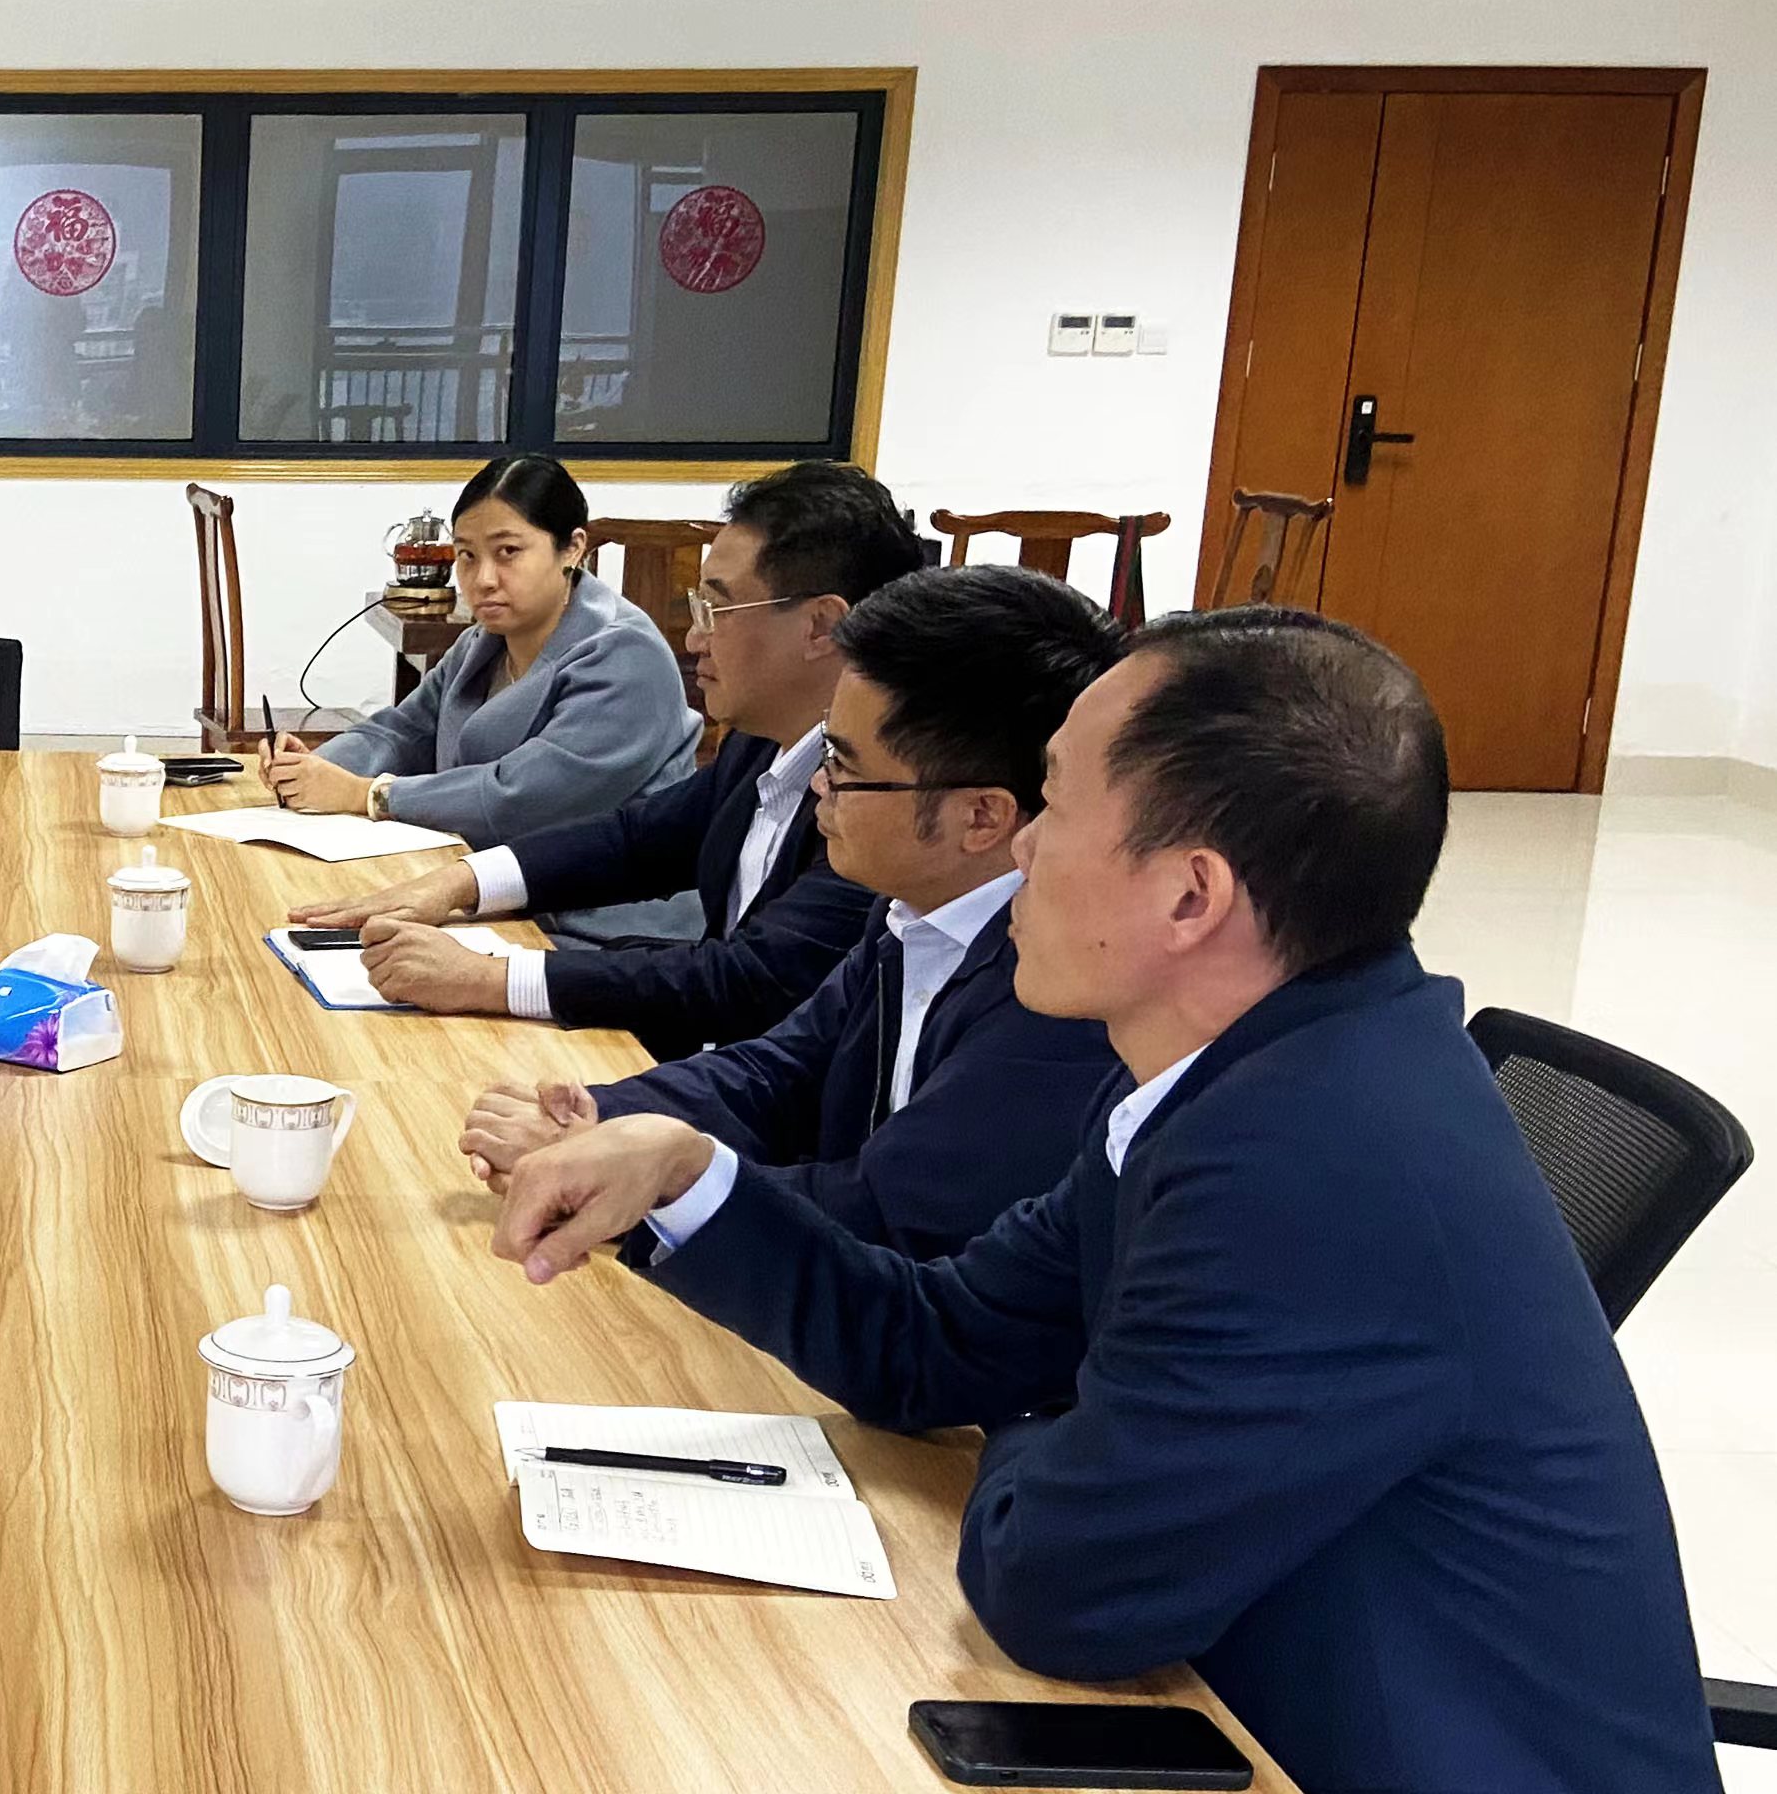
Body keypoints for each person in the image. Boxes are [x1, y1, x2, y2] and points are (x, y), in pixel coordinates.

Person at [484, 609, 1716, 1791]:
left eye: (1056, 805)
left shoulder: (1316, 1170)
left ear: (1189, 896)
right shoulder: (1234, 1069)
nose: (1019, 847)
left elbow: (1057, 1588)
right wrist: (690, 1178)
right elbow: (938, 1341)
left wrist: (1055, 1398)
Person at [458, 566, 1125, 1259]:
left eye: (844, 767)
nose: (818, 785)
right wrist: (597, 1118)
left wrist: (639, 1185)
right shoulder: (913, 910)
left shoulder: (1059, 992)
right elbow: (779, 1072)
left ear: (981, 816)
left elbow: (884, 1214)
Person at [291, 460, 924, 1057]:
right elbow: (637, 839)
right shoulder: (764, 740)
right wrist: (457, 883)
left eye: (715, 609)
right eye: (467, 555)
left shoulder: (886, 795)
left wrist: (492, 978)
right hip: (705, 1041)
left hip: (699, 1029)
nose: (693, 637)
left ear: (820, 626)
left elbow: (749, 979)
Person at [260, 457, 700, 887]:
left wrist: (369, 795)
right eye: (467, 556)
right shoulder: (482, 642)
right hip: (484, 875)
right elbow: (402, 732)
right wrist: (312, 767)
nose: (483, 579)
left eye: (508, 552)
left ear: (572, 548)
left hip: (595, 911)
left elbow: (523, 799)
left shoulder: (626, 654)